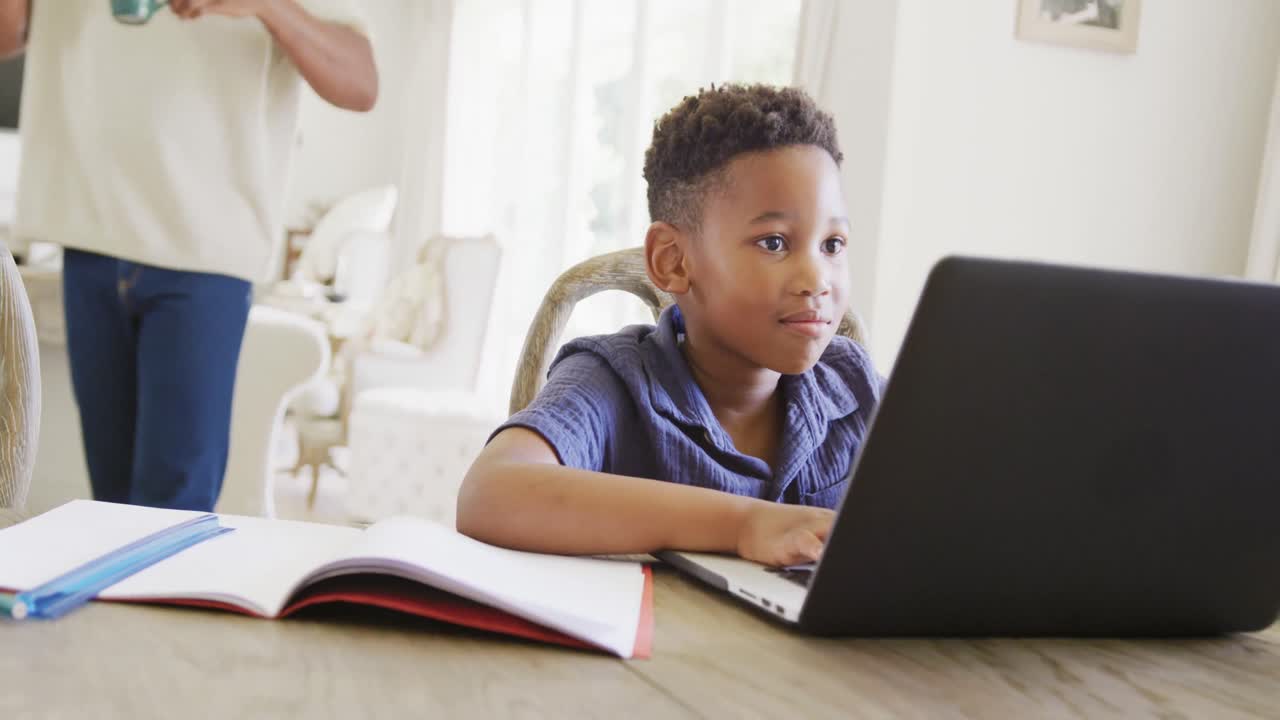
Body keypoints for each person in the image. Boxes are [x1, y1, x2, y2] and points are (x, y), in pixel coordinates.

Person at [458, 84, 883, 567]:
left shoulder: (854, 384)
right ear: (673, 261)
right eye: (773, 243)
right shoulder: (615, 379)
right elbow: (489, 493)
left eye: (833, 244)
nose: (817, 280)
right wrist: (744, 524)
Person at [0, 0, 378, 511]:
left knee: (171, 517)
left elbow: (360, 83)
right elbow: (8, 33)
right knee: (107, 514)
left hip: (204, 253)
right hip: (88, 236)